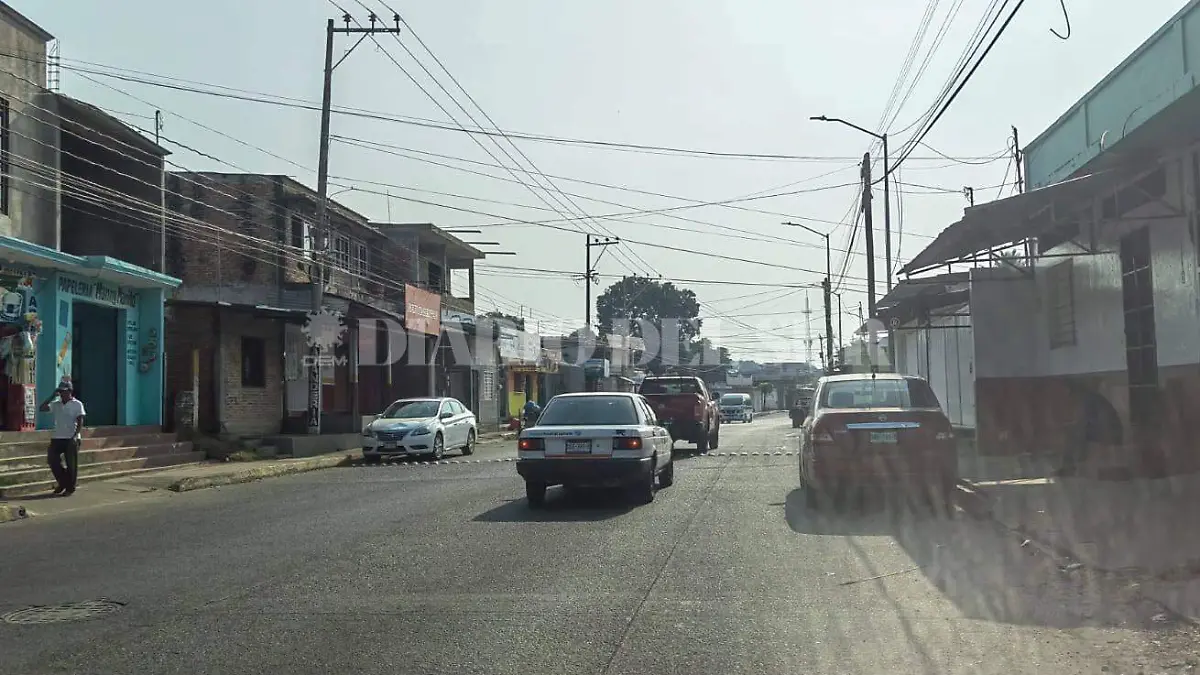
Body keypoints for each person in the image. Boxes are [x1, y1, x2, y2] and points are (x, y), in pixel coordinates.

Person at [39, 381, 86, 496]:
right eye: (60, 392)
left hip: (71, 437)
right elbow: (42, 408)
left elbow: (80, 421)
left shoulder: (77, 404)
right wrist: (52, 396)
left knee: (71, 464)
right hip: (57, 437)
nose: (62, 394)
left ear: (70, 391)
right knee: (52, 460)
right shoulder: (56, 404)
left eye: (64, 392)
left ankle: (70, 488)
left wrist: (75, 436)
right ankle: (63, 482)